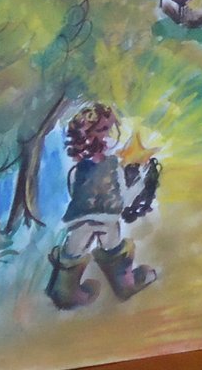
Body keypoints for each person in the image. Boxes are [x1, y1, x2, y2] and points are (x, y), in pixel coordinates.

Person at [46, 102, 160, 309]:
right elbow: (123, 197)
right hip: (108, 219)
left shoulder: (78, 169)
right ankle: (125, 286)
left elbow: (73, 192)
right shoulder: (113, 165)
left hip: (80, 222)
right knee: (114, 251)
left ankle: (65, 295)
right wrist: (140, 180)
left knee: (71, 255)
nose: (111, 135)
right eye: (106, 130)